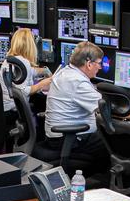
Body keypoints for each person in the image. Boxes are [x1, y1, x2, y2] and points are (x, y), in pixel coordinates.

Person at [33, 41, 111, 178]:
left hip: (57, 138)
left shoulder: (64, 72)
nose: (100, 67)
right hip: (71, 139)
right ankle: (107, 183)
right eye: (99, 63)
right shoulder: (78, 82)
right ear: (88, 64)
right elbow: (106, 108)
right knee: (112, 140)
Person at [0, 27, 51, 115]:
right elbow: (23, 92)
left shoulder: (12, 59)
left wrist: (44, 71)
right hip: (12, 111)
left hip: (3, 109)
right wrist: (42, 84)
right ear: (30, 45)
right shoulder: (23, 62)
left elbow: (29, 71)